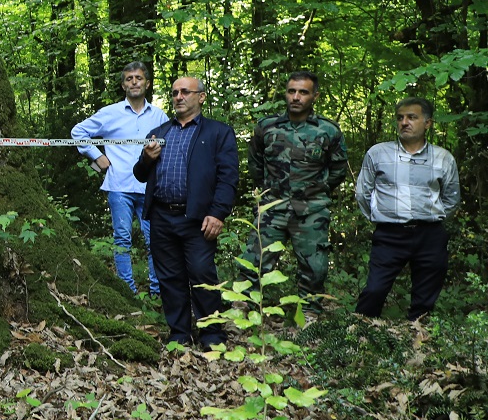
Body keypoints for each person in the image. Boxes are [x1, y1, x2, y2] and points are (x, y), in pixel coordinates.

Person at [133, 75, 239, 349]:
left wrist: (218, 213)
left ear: (201, 97)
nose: (178, 97)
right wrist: (147, 157)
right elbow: (140, 174)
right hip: (162, 217)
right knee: (169, 277)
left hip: (198, 219)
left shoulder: (217, 133)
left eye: (185, 92)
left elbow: (228, 177)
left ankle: (212, 334)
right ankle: (179, 333)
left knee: (202, 274)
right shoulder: (159, 133)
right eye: (174, 93)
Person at [239, 71, 349, 303]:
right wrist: (269, 191)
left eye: (303, 92)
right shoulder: (267, 127)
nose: (296, 97)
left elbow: (338, 169)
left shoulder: (328, 130)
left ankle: (308, 314)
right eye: (291, 91)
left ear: (315, 96)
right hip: (273, 207)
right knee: (254, 262)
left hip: (311, 211)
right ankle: (244, 309)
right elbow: (256, 164)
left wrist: (316, 191)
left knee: (314, 268)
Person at [353, 97, 460, 320]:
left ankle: (419, 340)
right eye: (400, 118)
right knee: (374, 289)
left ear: (428, 123)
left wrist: (430, 219)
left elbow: (451, 198)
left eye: (412, 117)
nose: (405, 122)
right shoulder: (378, 154)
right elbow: (363, 193)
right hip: (390, 234)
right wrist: (381, 218)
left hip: (430, 234)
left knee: (425, 296)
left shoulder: (443, 158)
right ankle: (359, 335)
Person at [72, 60, 167, 297]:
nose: (134, 82)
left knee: (154, 240)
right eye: (129, 79)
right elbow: (78, 132)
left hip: (149, 188)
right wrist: (96, 156)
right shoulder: (110, 113)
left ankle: (157, 293)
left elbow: (169, 146)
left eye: (138, 78)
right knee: (122, 239)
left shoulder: (159, 115)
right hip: (119, 186)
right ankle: (128, 292)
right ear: (123, 85)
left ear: (147, 82)